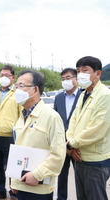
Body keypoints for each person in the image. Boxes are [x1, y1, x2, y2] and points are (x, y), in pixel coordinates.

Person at [10, 69, 66, 200]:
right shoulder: (22, 116)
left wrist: (37, 174)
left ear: (35, 90)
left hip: (39, 187)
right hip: (22, 184)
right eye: (16, 86)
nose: (17, 90)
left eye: (21, 86)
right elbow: (20, 150)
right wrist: (15, 181)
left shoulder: (51, 117)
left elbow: (58, 154)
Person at [66, 56, 110, 200]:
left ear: (98, 73)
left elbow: (97, 129)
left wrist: (71, 144)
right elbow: (73, 121)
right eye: (78, 71)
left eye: (85, 70)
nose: (80, 75)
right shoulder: (84, 94)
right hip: (79, 156)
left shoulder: (105, 95)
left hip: (95, 160)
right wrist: (70, 144)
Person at [0, 65, 22, 200]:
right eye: (1, 75)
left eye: (7, 75)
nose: (3, 77)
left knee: (13, 167)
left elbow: (22, 115)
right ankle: (0, 190)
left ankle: (14, 193)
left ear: (12, 77)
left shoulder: (17, 93)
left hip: (10, 137)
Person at [54, 68, 81, 200]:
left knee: (80, 176)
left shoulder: (84, 96)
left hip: (78, 145)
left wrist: (74, 143)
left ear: (76, 79)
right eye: (63, 79)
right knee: (61, 175)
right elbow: (55, 120)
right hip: (62, 144)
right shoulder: (58, 97)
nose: (66, 81)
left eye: (69, 78)